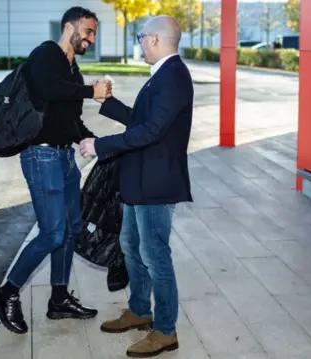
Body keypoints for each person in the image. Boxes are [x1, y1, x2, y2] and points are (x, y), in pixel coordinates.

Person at [0, 7, 112, 334]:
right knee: (52, 232)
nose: (91, 38)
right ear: (69, 27)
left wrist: (98, 143)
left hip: (64, 159)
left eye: (94, 33)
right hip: (41, 157)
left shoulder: (73, 70)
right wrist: (90, 91)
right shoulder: (46, 54)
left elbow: (69, 120)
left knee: (72, 228)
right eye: (88, 30)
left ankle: (58, 299)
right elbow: (46, 89)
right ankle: (6, 293)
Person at [79, 15, 194, 357]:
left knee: (155, 255)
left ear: (156, 40)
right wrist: (109, 105)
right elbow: (143, 122)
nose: (140, 42)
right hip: (140, 179)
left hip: (156, 184)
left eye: (142, 37)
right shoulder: (161, 75)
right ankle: (141, 309)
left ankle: (165, 330)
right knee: (131, 245)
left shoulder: (173, 76)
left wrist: (99, 146)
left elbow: (150, 132)